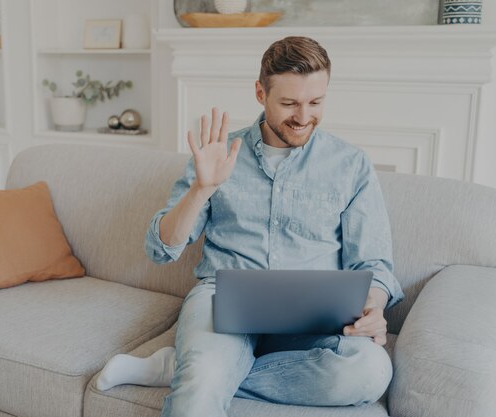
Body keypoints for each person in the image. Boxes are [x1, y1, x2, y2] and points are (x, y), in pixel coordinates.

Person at [96, 36, 405, 416]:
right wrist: (200, 189)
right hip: (225, 297)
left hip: (314, 316)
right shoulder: (219, 154)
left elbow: (374, 267)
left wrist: (372, 306)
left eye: (316, 102)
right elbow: (161, 249)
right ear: (261, 93)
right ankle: (201, 372)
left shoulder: (351, 165)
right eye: (289, 103)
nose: (304, 116)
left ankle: (182, 368)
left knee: (370, 370)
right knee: (202, 386)